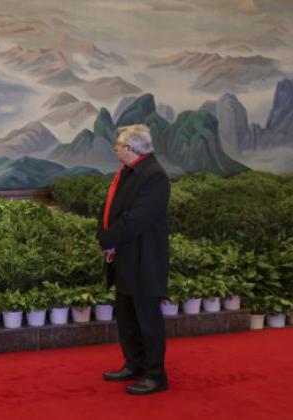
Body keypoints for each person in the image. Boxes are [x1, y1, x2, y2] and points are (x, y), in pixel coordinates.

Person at [97, 124, 171, 395]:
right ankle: (134, 364)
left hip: (145, 259)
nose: (115, 148)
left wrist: (107, 239)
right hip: (125, 257)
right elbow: (111, 209)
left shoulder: (155, 177)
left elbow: (137, 219)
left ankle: (155, 375)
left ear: (130, 148)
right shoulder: (127, 173)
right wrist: (103, 235)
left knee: (148, 320)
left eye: (118, 144)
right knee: (127, 317)